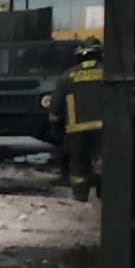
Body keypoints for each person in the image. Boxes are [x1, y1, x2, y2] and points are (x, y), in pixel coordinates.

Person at [51, 36, 105, 202]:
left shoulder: (67, 76)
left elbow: (56, 105)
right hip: (104, 127)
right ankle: (105, 192)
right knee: (106, 161)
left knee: (78, 164)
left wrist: (55, 127)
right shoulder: (108, 72)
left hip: (76, 129)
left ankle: (80, 195)